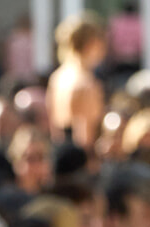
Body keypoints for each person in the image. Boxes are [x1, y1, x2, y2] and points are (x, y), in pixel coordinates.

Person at [47, 13, 109, 153]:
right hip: (81, 158)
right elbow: (86, 135)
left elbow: (54, 128)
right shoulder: (86, 83)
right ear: (92, 44)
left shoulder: (57, 77)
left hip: (61, 154)